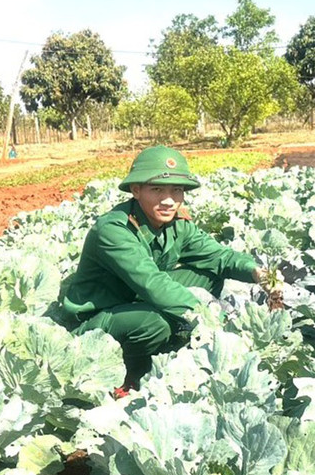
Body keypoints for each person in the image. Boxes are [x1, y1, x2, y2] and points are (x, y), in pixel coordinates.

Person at [63, 145, 266, 393]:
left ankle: (172, 344)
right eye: (157, 189)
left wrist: (259, 273)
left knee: (209, 274)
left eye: (177, 190)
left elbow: (219, 256)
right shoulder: (113, 230)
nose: (169, 200)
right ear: (136, 190)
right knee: (154, 323)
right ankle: (130, 378)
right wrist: (212, 317)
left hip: (137, 300)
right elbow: (153, 284)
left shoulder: (175, 223)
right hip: (99, 322)